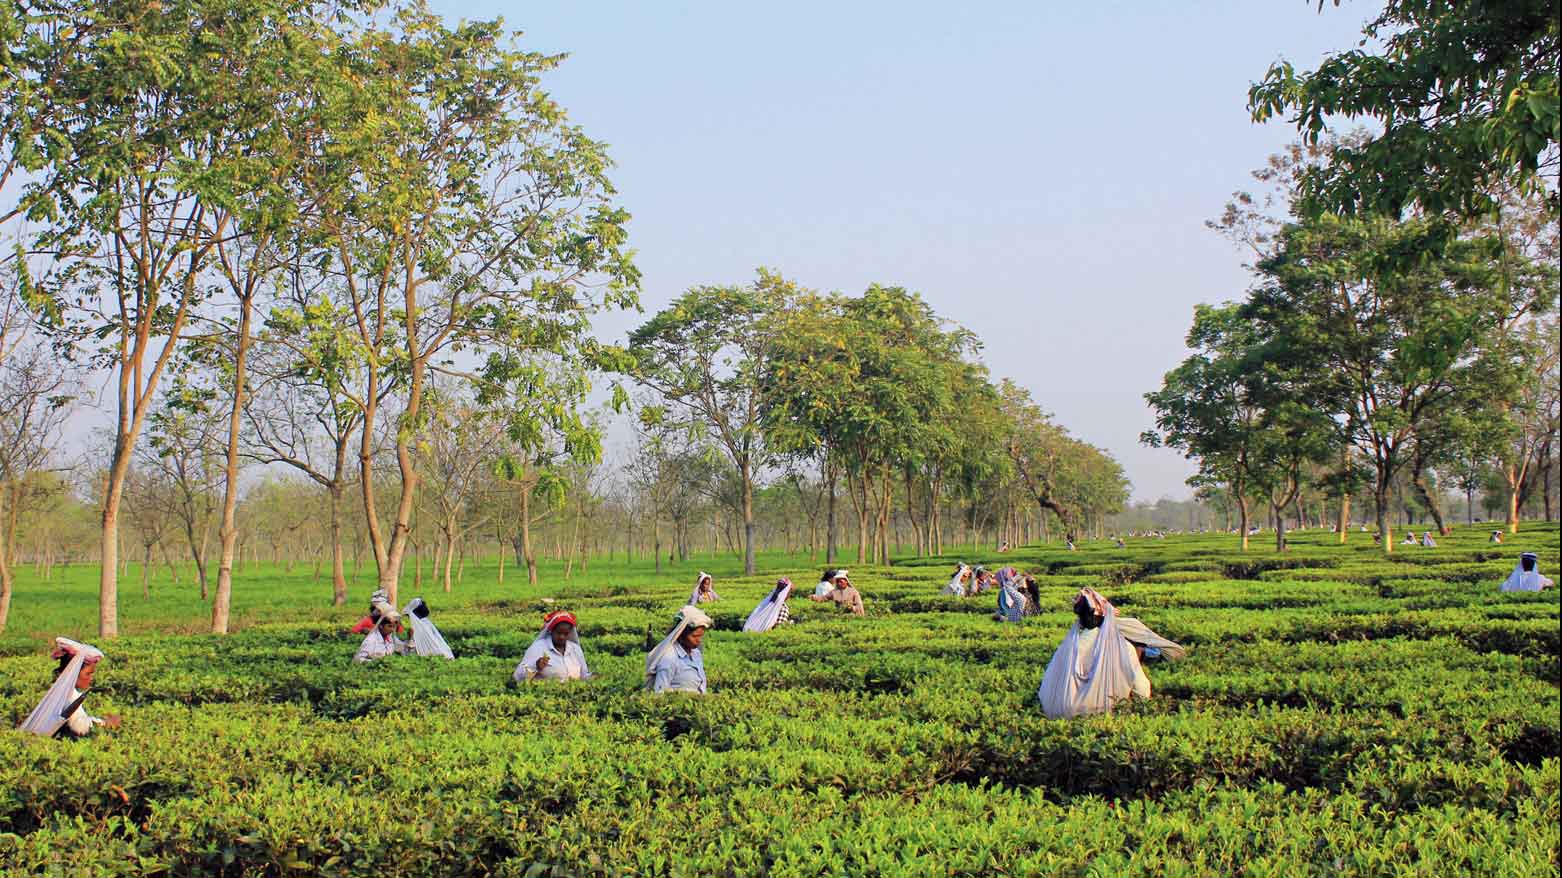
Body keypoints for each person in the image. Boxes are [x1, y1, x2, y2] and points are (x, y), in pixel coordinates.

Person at [1036, 588, 1184, 720]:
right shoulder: (1122, 648)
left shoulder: (1066, 649)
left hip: (1063, 711)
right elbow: (1142, 689)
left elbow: (1047, 685)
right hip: (1102, 714)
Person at [18, 637, 121, 737]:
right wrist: (106, 723)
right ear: (73, 673)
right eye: (88, 674)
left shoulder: (62, 691)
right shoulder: (69, 696)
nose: (91, 678)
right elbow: (79, 726)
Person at [646, 605, 712, 693]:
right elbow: (659, 693)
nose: (699, 640)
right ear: (681, 635)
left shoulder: (696, 653)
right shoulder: (669, 659)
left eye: (701, 636)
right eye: (695, 636)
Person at [516, 611, 592, 681]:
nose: (562, 637)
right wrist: (535, 666)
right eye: (558, 633)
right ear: (551, 631)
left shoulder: (575, 649)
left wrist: (593, 677)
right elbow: (517, 676)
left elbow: (583, 675)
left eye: (566, 634)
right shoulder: (538, 647)